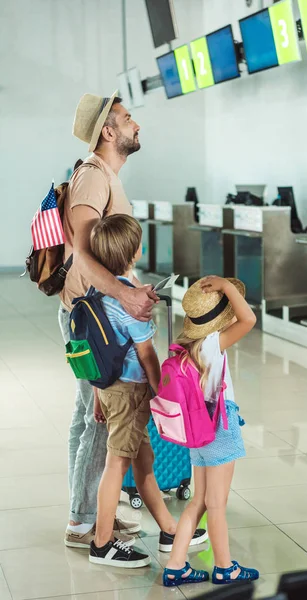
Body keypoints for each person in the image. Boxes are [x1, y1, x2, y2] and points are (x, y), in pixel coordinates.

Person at [59, 90, 158, 548]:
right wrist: (126, 295)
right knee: (103, 414)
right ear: (108, 130)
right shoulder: (93, 177)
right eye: (127, 117)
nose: (135, 123)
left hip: (98, 314)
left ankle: (87, 511)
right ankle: (83, 522)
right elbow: (82, 251)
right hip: (96, 319)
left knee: (89, 414)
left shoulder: (105, 177)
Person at [86, 213, 208, 568]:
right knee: (117, 464)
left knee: (144, 464)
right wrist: (164, 393)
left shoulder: (101, 291)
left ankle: (169, 529)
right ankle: (103, 543)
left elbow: (101, 349)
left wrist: (97, 395)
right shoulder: (133, 307)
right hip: (129, 394)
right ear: (135, 253)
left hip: (110, 389)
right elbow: (148, 356)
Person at [163, 276, 260, 587]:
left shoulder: (187, 346)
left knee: (199, 501)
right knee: (217, 503)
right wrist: (228, 288)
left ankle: (176, 566)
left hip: (198, 427)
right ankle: (224, 567)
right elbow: (249, 319)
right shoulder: (213, 344)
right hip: (218, 426)